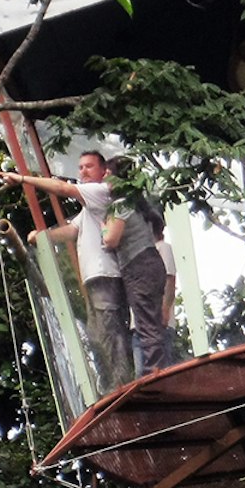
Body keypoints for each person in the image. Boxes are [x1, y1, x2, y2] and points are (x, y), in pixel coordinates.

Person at [1, 152, 134, 390]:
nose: (82, 171)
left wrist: (23, 179)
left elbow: (62, 188)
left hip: (106, 275)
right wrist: (43, 237)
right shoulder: (90, 208)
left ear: (103, 171)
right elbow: (73, 231)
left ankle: (121, 386)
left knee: (110, 334)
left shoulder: (101, 191)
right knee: (96, 335)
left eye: (88, 167)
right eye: (80, 167)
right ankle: (110, 386)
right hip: (95, 278)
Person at [104, 155, 178, 373]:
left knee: (146, 322)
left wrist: (103, 226)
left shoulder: (120, 205)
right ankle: (157, 368)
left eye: (108, 174)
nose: (105, 178)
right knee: (150, 321)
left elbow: (111, 239)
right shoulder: (137, 204)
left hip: (138, 265)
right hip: (150, 263)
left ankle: (155, 372)